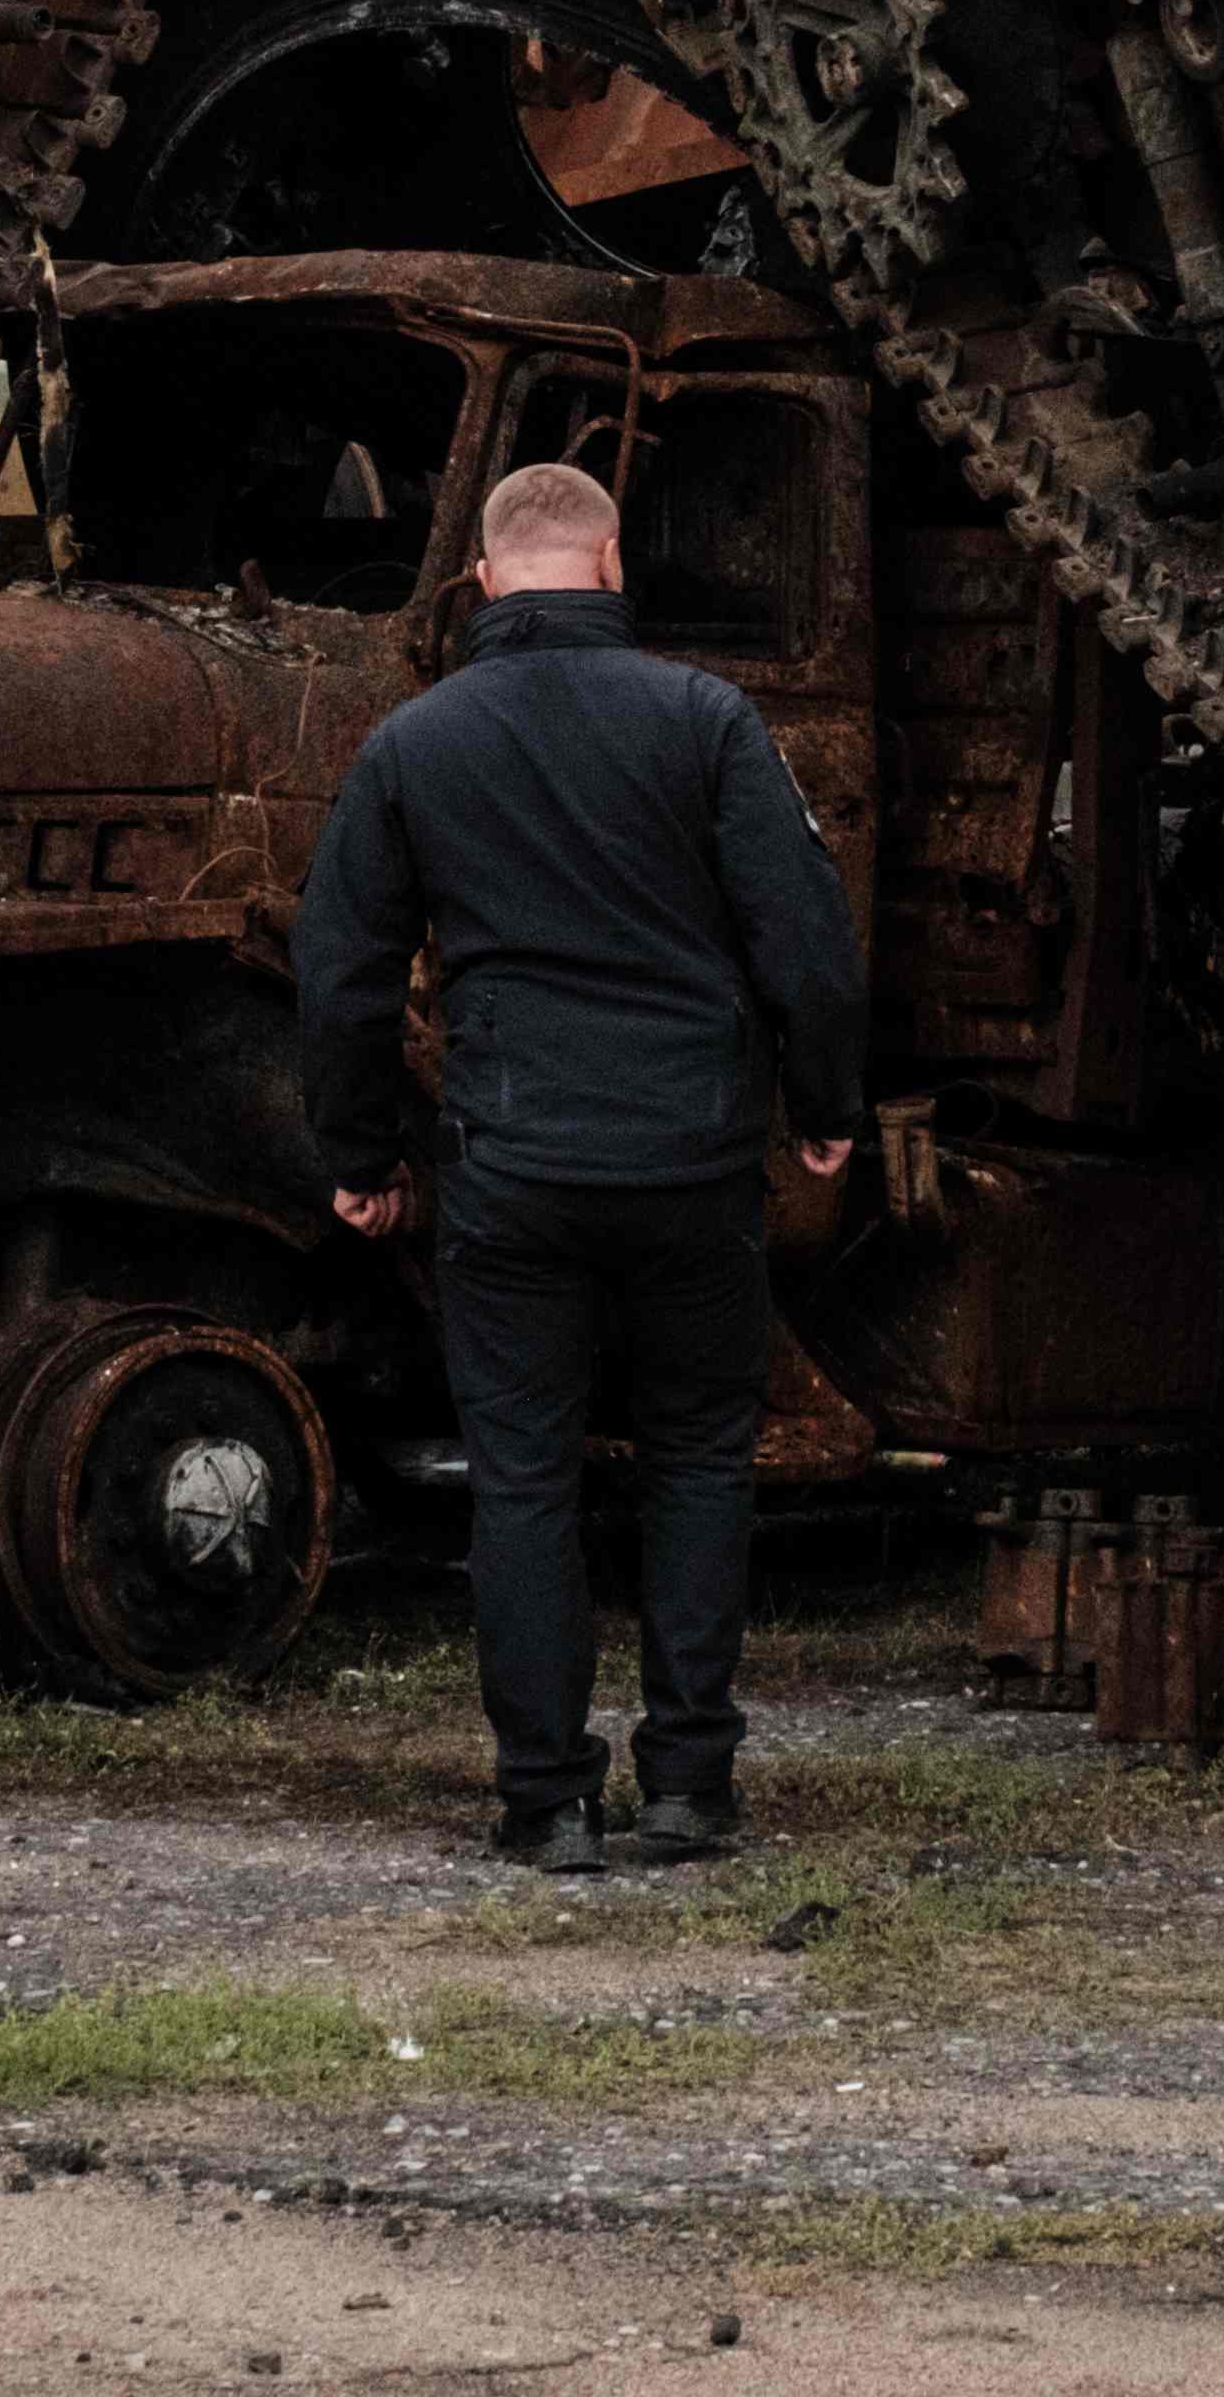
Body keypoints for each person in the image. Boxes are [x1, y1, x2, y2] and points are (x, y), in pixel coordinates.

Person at [296, 457, 864, 1873]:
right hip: (690, 1160)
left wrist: (362, 1155)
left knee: (526, 1477)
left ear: (485, 580)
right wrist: (822, 1103)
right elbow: (805, 932)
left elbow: (342, 973)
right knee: (695, 1465)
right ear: (612, 567)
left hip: (513, 1166)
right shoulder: (708, 721)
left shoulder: (414, 744)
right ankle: (687, 1787)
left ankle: (546, 1798)